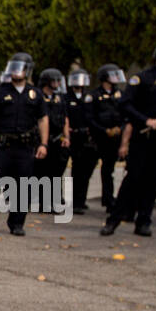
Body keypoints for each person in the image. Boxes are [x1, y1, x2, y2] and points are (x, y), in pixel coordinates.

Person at [101, 43, 156, 237]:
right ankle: (113, 220)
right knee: (133, 179)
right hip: (143, 138)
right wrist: (146, 120)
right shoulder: (142, 79)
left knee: (153, 181)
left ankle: (144, 221)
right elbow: (125, 105)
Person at [0, 52, 47, 236]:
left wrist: (43, 144)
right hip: (2, 147)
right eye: (13, 67)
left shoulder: (36, 94)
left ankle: (16, 224)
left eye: (20, 68)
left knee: (23, 187)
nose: (16, 72)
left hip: (25, 148)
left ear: (28, 70)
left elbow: (43, 120)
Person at [90, 64, 127, 214]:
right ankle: (108, 198)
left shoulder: (121, 94)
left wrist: (121, 128)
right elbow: (91, 118)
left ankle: (114, 199)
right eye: (113, 75)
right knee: (106, 169)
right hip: (102, 138)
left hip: (118, 137)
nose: (116, 79)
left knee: (114, 169)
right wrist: (104, 130)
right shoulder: (95, 95)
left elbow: (126, 113)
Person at [36, 68, 70, 213]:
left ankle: (54, 203)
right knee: (42, 172)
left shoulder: (59, 98)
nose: (57, 83)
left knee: (56, 173)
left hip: (57, 139)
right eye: (54, 81)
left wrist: (66, 136)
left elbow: (65, 118)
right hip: (41, 140)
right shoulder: (37, 97)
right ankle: (43, 203)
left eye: (58, 81)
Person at [66, 70, 97, 213]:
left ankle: (80, 200)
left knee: (83, 171)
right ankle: (68, 199)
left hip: (85, 138)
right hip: (71, 136)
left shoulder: (89, 98)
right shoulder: (66, 98)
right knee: (70, 171)